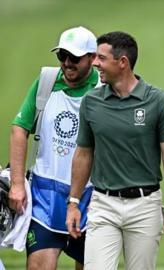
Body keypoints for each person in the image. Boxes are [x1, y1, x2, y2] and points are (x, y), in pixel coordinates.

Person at [65, 31, 164, 270]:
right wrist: (73, 203)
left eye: (101, 58)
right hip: (103, 204)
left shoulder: (159, 102)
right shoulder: (91, 102)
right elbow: (84, 153)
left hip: (145, 205)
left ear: (122, 63)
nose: (95, 63)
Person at [8, 26, 99, 270]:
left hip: (90, 198)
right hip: (45, 196)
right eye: (62, 56)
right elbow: (20, 128)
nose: (67, 63)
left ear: (92, 58)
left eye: (75, 58)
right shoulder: (46, 82)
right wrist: (17, 183)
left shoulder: (103, 90)